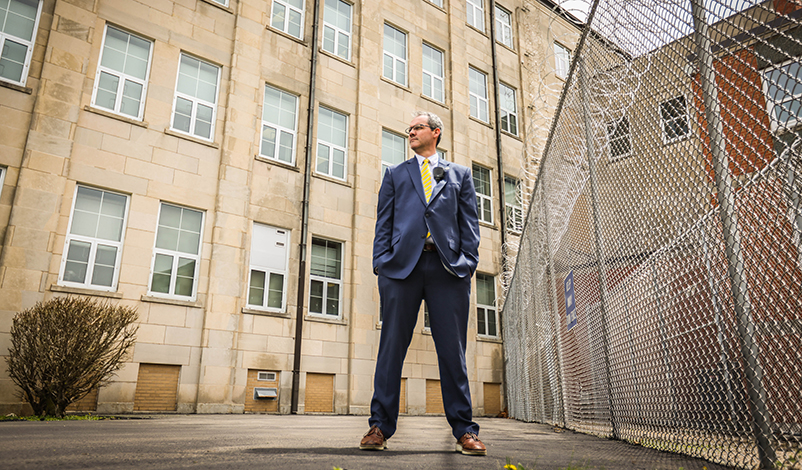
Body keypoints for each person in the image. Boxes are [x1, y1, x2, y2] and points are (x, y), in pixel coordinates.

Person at [359, 111, 486, 456]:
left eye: (417, 127)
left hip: (448, 271)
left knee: (452, 351)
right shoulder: (396, 174)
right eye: (409, 128)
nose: (410, 131)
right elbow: (383, 223)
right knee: (391, 348)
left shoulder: (459, 174)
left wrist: (467, 263)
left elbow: (469, 224)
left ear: (436, 132)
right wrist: (381, 265)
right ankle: (379, 426)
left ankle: (465, 430)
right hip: (401, 270)